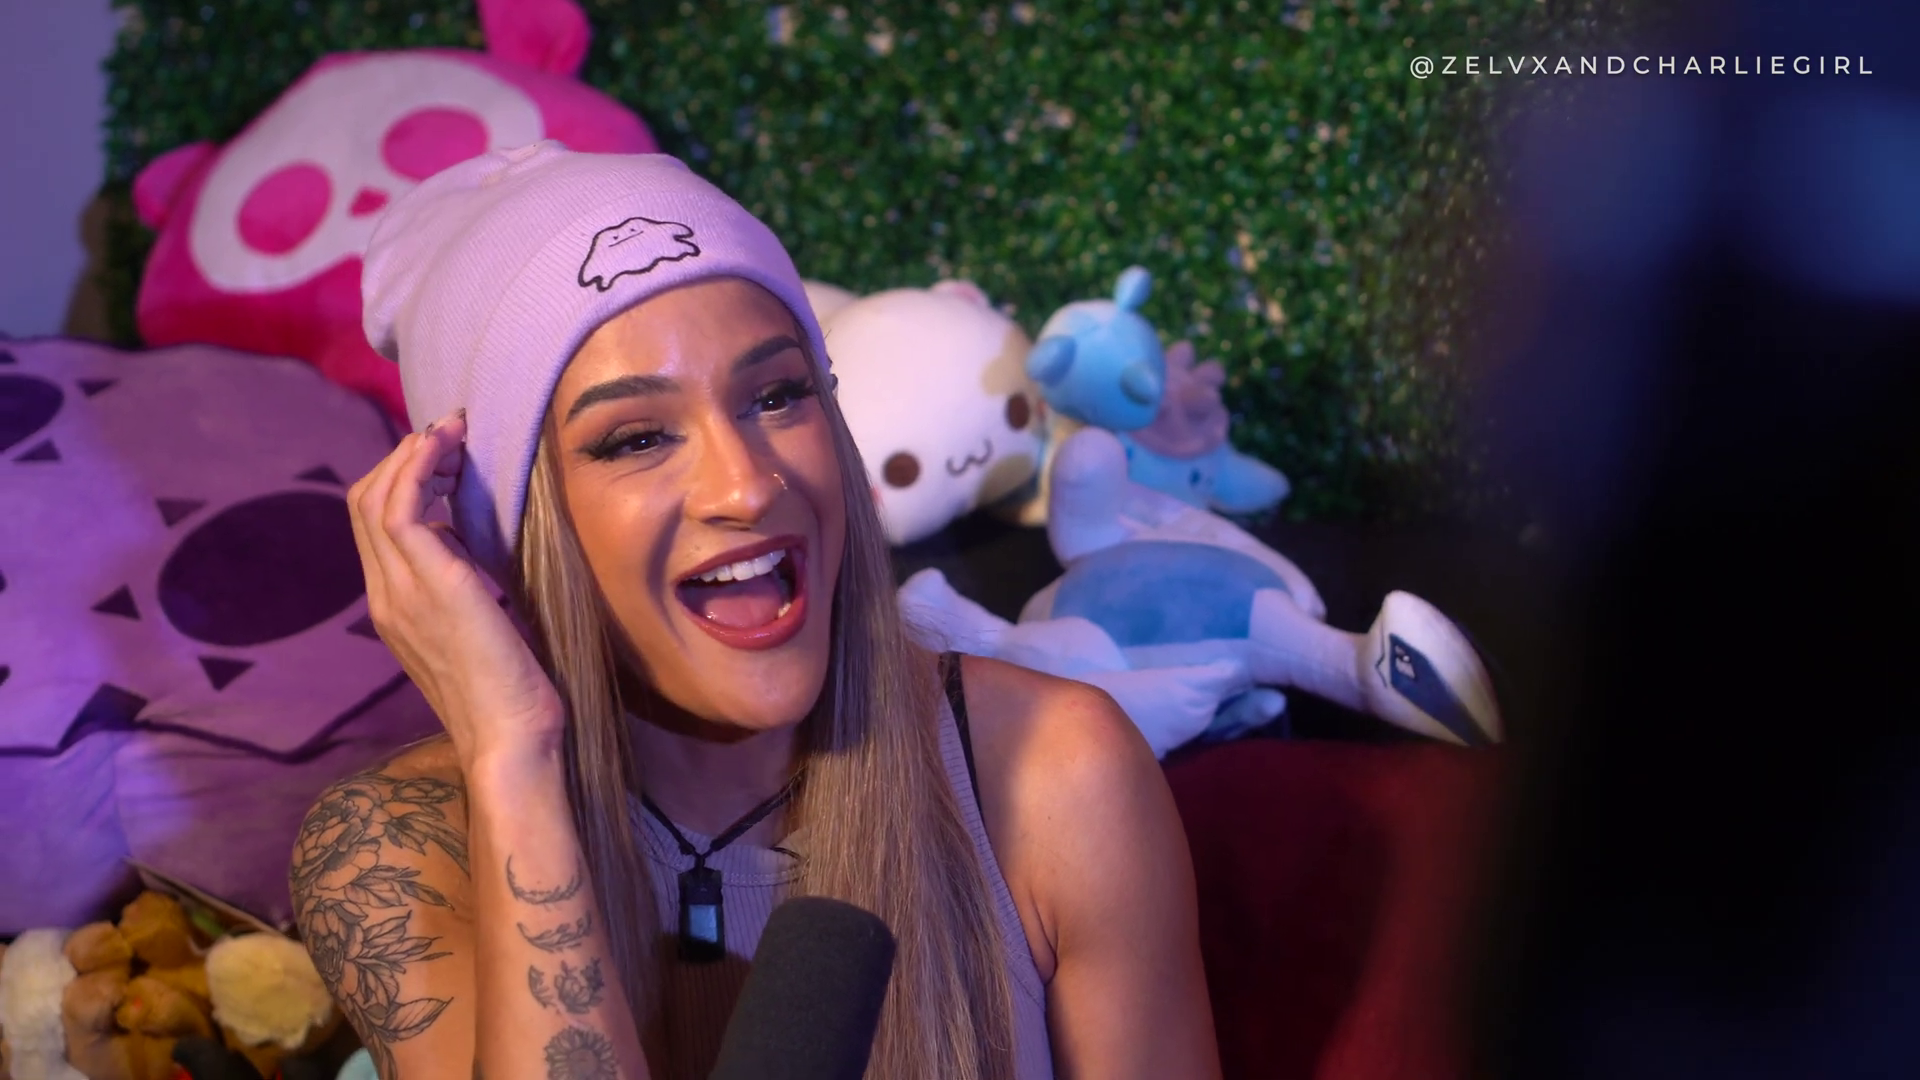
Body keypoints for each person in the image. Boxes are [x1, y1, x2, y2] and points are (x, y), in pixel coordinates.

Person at [288, 141, 1220, 1080]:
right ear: (508, 527)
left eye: (777, 396)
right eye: (636, 438)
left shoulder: (1060, 773)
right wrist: (512, 757)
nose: (747, 485)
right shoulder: (391, 851)